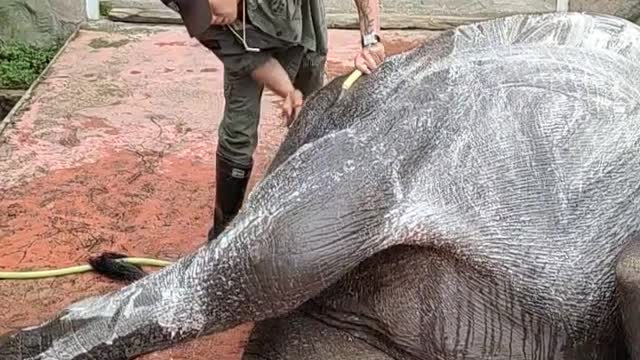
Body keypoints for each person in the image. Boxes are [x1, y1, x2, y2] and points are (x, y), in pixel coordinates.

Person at [161, 0, 386, 241]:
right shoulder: (198, 13)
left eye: (212, 13)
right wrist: (287, 89)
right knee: (239, 130)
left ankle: (304, 217)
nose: (211, 20)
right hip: (247, 33)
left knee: (311, 110)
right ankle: (222, 235)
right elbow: (245, 58)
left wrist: (370, 40)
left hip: (300, 17)